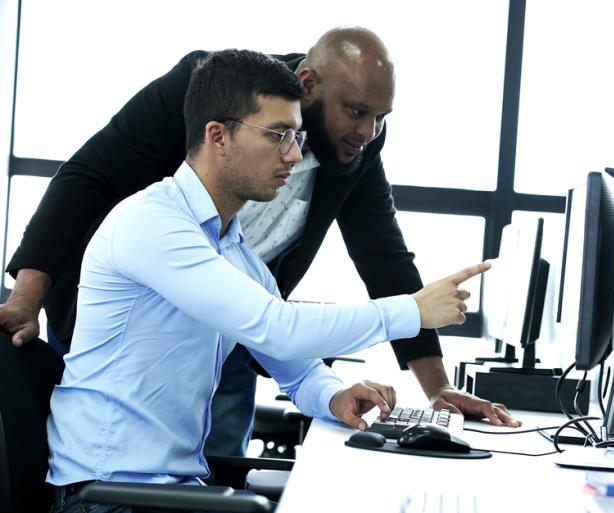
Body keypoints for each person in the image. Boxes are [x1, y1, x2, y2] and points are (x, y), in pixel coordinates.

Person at [1, 27, 519, 456]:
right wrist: (27, 299)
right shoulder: (205, 108)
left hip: (233, 328)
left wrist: (386, 391)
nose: (369, 130)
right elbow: (89, 177)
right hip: (139, 341)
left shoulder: (233, 247)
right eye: (358, 111)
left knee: (212, 460)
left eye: (380, 117)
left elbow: (380, 257)